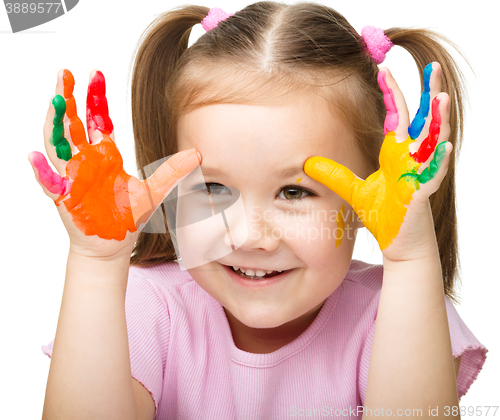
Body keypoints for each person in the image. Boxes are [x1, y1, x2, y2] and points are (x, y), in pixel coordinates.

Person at [31, 2, 488, 419]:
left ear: (369, 192)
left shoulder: (397, 310)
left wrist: (410, 258)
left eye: (293, 192)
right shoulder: (147, 307)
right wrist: (95, 261)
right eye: (212, 187)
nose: (250, 236)